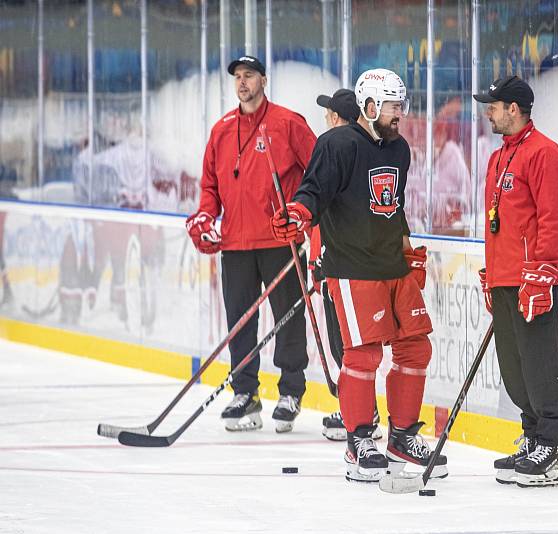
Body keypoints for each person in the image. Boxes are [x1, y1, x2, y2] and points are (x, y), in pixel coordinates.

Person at [271, 68, 444, 483]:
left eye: (401, 105)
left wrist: (407, 250)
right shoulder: (336, 144)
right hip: (352, 266)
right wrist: (299, 212)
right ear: (369, 107)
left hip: (393, 265)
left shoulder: (400, 149)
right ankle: (358, 439)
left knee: (416, 347)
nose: (399, 113)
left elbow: (393, 204)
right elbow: (315, 190)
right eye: (392, 106)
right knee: (364, 353)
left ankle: (402, 435)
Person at [185, 55, 316, 433]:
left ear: (263, 80)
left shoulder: (288, 123)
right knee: (239, 321)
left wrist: (302, 212)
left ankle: (291, 390)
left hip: (280, 241)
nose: (242, 83)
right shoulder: (222, 130)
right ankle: (245, 392)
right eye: (237, 77)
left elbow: (317, 175)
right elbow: (209, 186)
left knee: (288, 318)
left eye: (249, 76)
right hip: (236, 243)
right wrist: (207, 215)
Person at [473, 75, 558, 487]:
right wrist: (490, 272)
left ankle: (554, 444)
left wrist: (543, 272)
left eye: (493, 106)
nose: (488, 112)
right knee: (513, 369)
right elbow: (499, 222)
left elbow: (552, 217)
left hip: (534, 279)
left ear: (514, 108)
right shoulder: (499, 157)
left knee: (539, 364)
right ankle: (533, 435)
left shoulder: (545, 153)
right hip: (505, 277)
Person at [311, 88, 383, 442]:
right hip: (334, 261)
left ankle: (363, 411)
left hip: (349, 266)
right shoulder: (340, 150)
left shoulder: (341, 152)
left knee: (351, 342)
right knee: (344, 341)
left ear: (339, 118)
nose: (325, 118)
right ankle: (357, 408)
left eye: (329, 113)